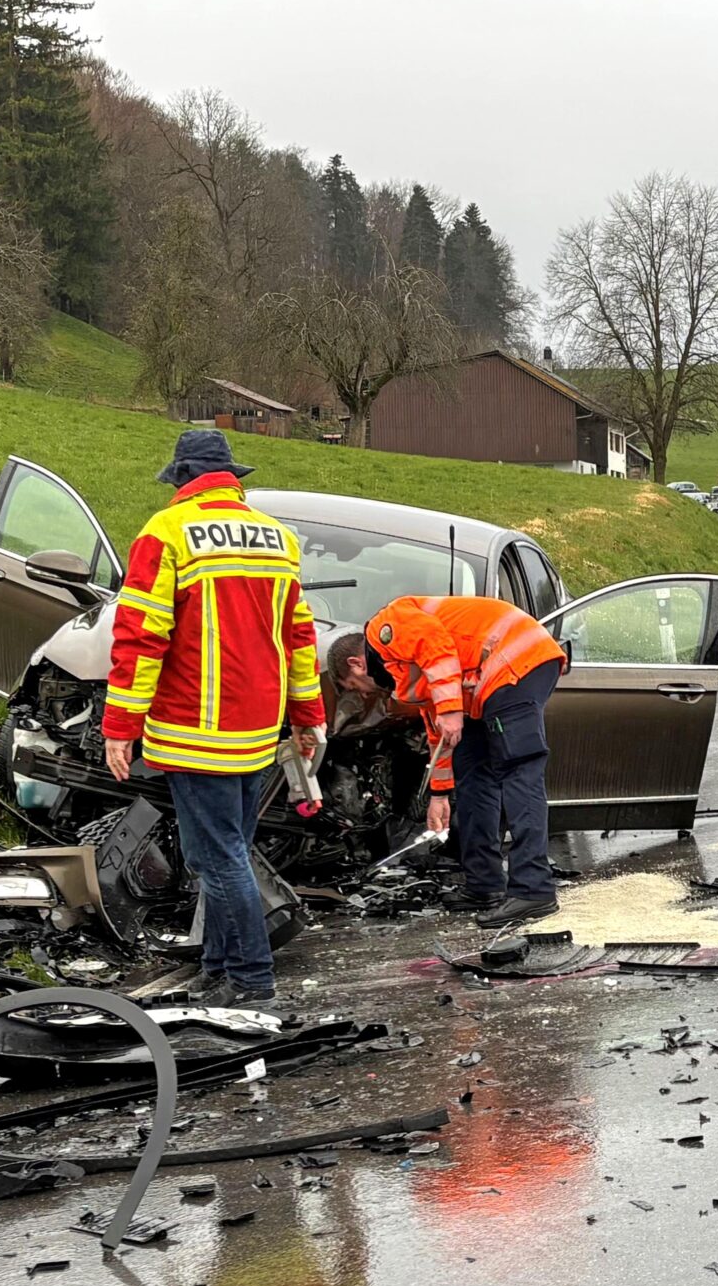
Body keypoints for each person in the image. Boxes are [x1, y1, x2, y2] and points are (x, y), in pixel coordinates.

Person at [102, 429, 324, 1006]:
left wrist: (120, 728)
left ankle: (251, 979)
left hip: (193, 731)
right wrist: (307, 717)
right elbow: (299, 638)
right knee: (231, 850)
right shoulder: (278, 539)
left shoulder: (166, 533)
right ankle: (218, 964)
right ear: (231, 478)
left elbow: (139, 640)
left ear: (180, 479)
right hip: (258, 729)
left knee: (217, 858)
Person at [331, 594, 565, 925]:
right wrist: (439, 795)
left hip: (516, 661)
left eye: (357, 687)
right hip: (485, 682)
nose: (367, 695)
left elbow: (437, 646)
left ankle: (533, 891)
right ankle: (485, 885)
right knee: (472, 777)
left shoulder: (389, 625)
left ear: (356, 664)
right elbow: (437, 728)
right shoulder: (402, 669)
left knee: (519, 771)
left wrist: (451, 710)